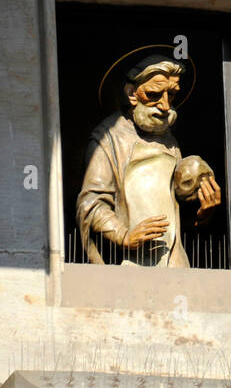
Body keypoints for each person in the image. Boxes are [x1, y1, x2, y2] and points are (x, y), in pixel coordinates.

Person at [75, 50, 221, 267]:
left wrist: (202, 215)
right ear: (132, 93)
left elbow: (171, 208)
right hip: (130, 263)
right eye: (154, 94)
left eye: (171, 95)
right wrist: (123, 235)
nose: (164, 105)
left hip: (174, 260)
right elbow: (91, 204)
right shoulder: (108, 139)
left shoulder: (170, 141)